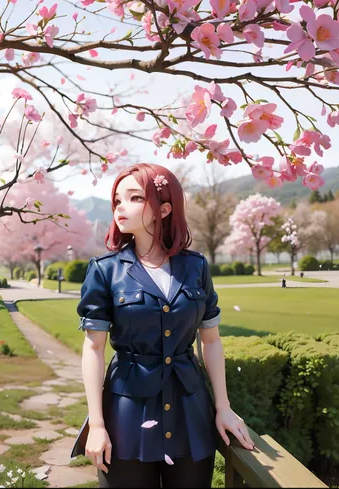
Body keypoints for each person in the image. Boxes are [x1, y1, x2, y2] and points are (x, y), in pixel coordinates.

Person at [70, 163, 254, 488]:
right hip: (126, 412)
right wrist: (97, 424)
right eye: (117, 200)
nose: (120, 207)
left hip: (190, 410)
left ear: (164, 209)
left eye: (134, 198)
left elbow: (210, 341)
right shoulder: (105, 271)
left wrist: (223, 407)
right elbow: (93, 347)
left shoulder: (195, 267)